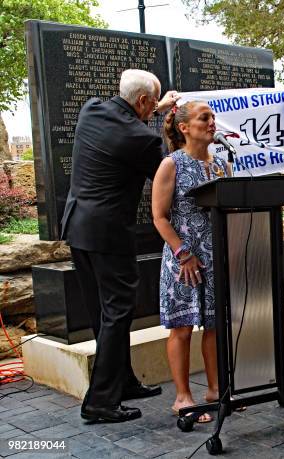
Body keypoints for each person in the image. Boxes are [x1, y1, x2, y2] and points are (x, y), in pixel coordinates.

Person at [61, 69, 179, 423]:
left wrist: (156, 108)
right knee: (117, 314)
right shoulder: (140, 139)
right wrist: (165, 122)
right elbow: (167, 172)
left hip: (78, 228)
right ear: (143, 101)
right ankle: (99, 401)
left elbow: (131, 112)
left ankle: (122, 382)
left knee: (103, 314)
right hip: (109, 235)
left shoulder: (91, 109)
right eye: (151, 103)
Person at [151, 101, 228, 422]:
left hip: (216, 256)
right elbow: (159, 216)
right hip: (183, 260)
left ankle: (215, 390)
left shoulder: (223, 165)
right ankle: (183, 397)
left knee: (215, 326)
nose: (212, 123)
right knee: (182, 328)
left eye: (212, 118)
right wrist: (184, 254)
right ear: (184, 127)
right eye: (204, 118)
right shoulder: (172, 164)